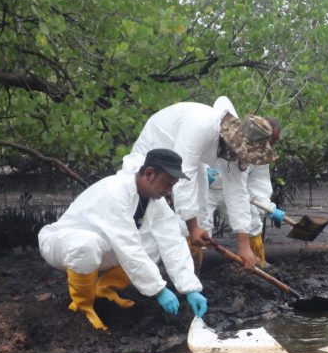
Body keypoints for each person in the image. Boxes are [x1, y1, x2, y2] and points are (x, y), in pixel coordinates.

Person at [38, 149, 206, 331]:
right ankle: (82, 305)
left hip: (101, 249)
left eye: (172, 186)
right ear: (149, 173)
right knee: (87, 245)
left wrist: (190, 288)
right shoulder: (115, 191)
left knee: (153, 244)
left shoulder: (155, 201)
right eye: (167, 183)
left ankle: (102, 289)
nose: (168, 191)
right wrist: (159, 290)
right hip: (63, 243)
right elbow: (128, 246)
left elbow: (172, 241)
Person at [121, 97, 278, 271]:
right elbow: (183, 177)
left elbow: (237, 193)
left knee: (201, 215)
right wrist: (193, 227)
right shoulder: (201, 126)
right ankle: (138, 271)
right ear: (234, 141)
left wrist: (244, 244)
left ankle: (190, 271)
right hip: (159, 143)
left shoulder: (235, 146)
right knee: (145, 211)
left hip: (191, 158)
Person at [203, 159, 285, 267]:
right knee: (198, 229)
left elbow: (258, 181)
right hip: (204, 188)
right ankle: (192, 272)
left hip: (235, 186)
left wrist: (267, 207)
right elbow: (187, 153)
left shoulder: (261, 152)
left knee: (252, 223)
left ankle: (257, 264)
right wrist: (201, 171)